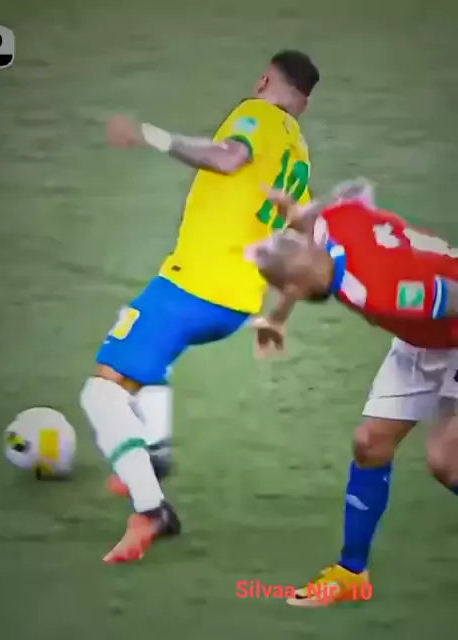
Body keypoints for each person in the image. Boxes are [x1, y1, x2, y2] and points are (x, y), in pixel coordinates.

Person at [80, 50, 320, 564]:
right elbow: (304, 237)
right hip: (236, 304)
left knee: (102, 391)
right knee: (148, 354)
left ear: (265, 79)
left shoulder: (256, 113)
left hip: (195, 286)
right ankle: (155, 451)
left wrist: (150, 135)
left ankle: (151, 511)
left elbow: (228, 157)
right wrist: (277, 316)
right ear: (306, 102)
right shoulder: (299, 152)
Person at [247, 180, 458, 606]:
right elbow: (357, 190)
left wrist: (306, 215)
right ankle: (351, 574)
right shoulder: (334, 233)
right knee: (370, 445)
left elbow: (452, 296)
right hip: (421, 335)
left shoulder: (376, 286)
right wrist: (277, 318)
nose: (277, 238)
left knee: (446, 462)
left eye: (280, 239)